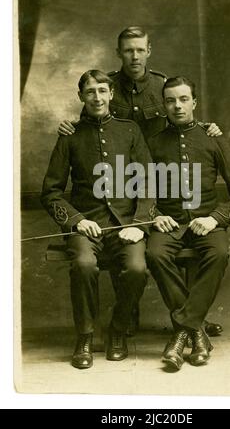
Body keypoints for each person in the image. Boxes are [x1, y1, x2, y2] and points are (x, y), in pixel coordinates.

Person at [57, 26, 224, 338]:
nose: (134, 55)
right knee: (133, 251)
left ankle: (190, 318)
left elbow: (181, 116)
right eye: (128, 50)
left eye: (139, 49)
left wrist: (206, 128)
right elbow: (90, 129)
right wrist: (68, 127)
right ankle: (133, 315)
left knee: (156, 249)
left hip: (158, 177)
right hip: (117, 182)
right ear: (119, 52)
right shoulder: (105, 85)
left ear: (149, 51)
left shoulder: (160, 85)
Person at [41, 70, 154, 369]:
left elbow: (148, 182)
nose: (97, 97)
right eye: (90, 92)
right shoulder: (70, 136)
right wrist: (77, 221)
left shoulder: (129, 130)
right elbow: (50, 192)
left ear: (111, 94)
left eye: (102, 90)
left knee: (137, 268)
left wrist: (138, 223)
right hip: (85, 227)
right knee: (83, 264)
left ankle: (117, 330)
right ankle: (85, 335)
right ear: (81, 97)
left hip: (126, 225)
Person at [146, 76, 230, 370]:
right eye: (170, 100)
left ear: (194, 103)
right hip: (169, 225)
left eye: (183, 99)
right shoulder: (154, 143)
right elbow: (139, 188)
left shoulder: (212, 138)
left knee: (219, 253)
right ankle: (197, 333)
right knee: (154, 254)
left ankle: (181, 332)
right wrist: (155, 215)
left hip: (207, 223)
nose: (177, 106)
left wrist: (214, 218)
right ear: (164, 105)